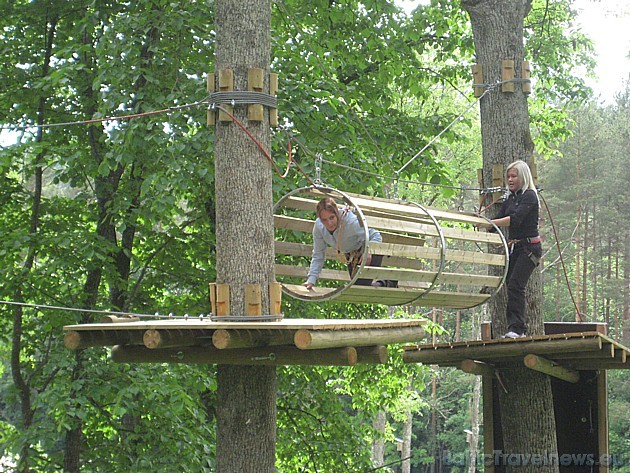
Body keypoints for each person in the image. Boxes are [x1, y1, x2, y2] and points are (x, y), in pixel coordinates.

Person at [491, 160, 542, 339]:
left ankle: (517, 329)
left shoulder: (529, 196)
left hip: (530, 248)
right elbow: (497, 219)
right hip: (517, 248)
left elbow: (515, 219)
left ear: (523, 177)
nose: (510, 180)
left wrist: (490, 223)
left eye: (514, 176)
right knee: (510, 284)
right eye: (508, 177)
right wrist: (480, 223)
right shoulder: (511, 198)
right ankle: (514, 327)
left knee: (515, 285)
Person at [303, 197, 397, 290]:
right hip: (352, 257)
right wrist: (311, 280)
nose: (329, 223)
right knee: (359, 289)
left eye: (331, 218)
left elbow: (376, 235)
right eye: (324, 220)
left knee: (360, 289)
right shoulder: (319, 227)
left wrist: (368, 253)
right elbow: (318, 254)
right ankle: (390, 281)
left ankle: (390, 281)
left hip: (368, 251)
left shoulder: (351, 222)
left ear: (336, 213)